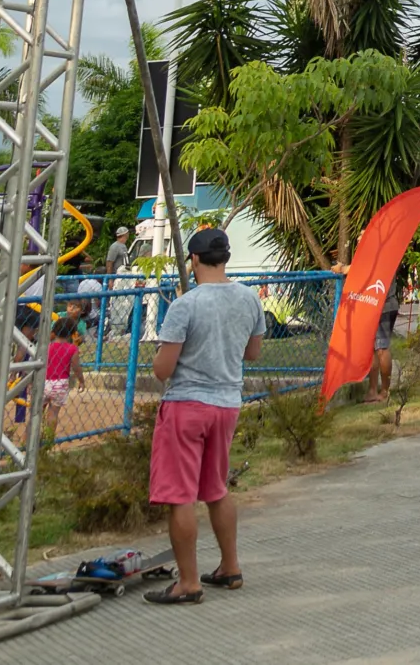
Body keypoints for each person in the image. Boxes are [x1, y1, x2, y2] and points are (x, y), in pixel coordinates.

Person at [145, 226, 263, 605]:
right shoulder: (249, 299)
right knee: (216, 488)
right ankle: (230, 567)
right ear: (225, 257)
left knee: (180, 495)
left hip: (186, 405)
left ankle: (189, 581)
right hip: (227, 403)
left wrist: (159, 359)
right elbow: (253, 354)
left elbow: (163, 369)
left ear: (193, 259)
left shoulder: (186, 305)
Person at [366, 265, 406, 403]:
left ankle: (384, 391)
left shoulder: (382, 252)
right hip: (376, 304)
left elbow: (369, 269)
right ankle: (372, 390)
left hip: (383, 305)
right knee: (373, 348)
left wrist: (345, 269)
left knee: (381, 347)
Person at [43, 312, 84, 438]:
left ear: (54, 331)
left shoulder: (46, 347)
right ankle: (48, 440)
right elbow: (76, 367)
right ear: (72, 333)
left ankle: (27, 440)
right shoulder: (72, 349)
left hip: (44, 382)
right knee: (54, 413)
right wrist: (81, 380)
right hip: (60, 384)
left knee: (36, 413)